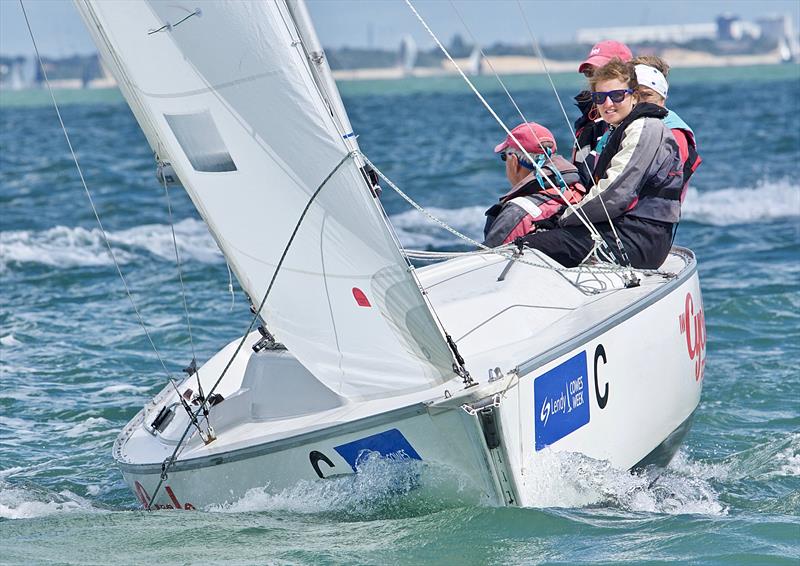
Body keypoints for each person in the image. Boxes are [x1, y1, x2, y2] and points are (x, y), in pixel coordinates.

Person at [519, 58, 683, 269]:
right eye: (600, 97)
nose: (608, 104)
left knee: (530, 247)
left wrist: (564, 218)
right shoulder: (622, 128)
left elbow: (614, 193)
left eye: (616, 96)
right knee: (542, 238)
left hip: (639, 241)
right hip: (624, 232)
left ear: (634, 96)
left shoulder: (644, 128)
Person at [483, 123, 586, 248]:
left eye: (504, 156)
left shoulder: (516, 214)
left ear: (514, 161)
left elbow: (487, 259)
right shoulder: (577, 191)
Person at [631, 57, 702, 201]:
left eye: (646, 94)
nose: (638, 101)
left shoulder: (674, 132)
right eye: (633, 93)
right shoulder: (625, 125)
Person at [573, 40, 633, 187]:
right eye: (590, 73)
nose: (595, 78)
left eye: (603, 71)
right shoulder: (589, 121)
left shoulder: (639, 126)